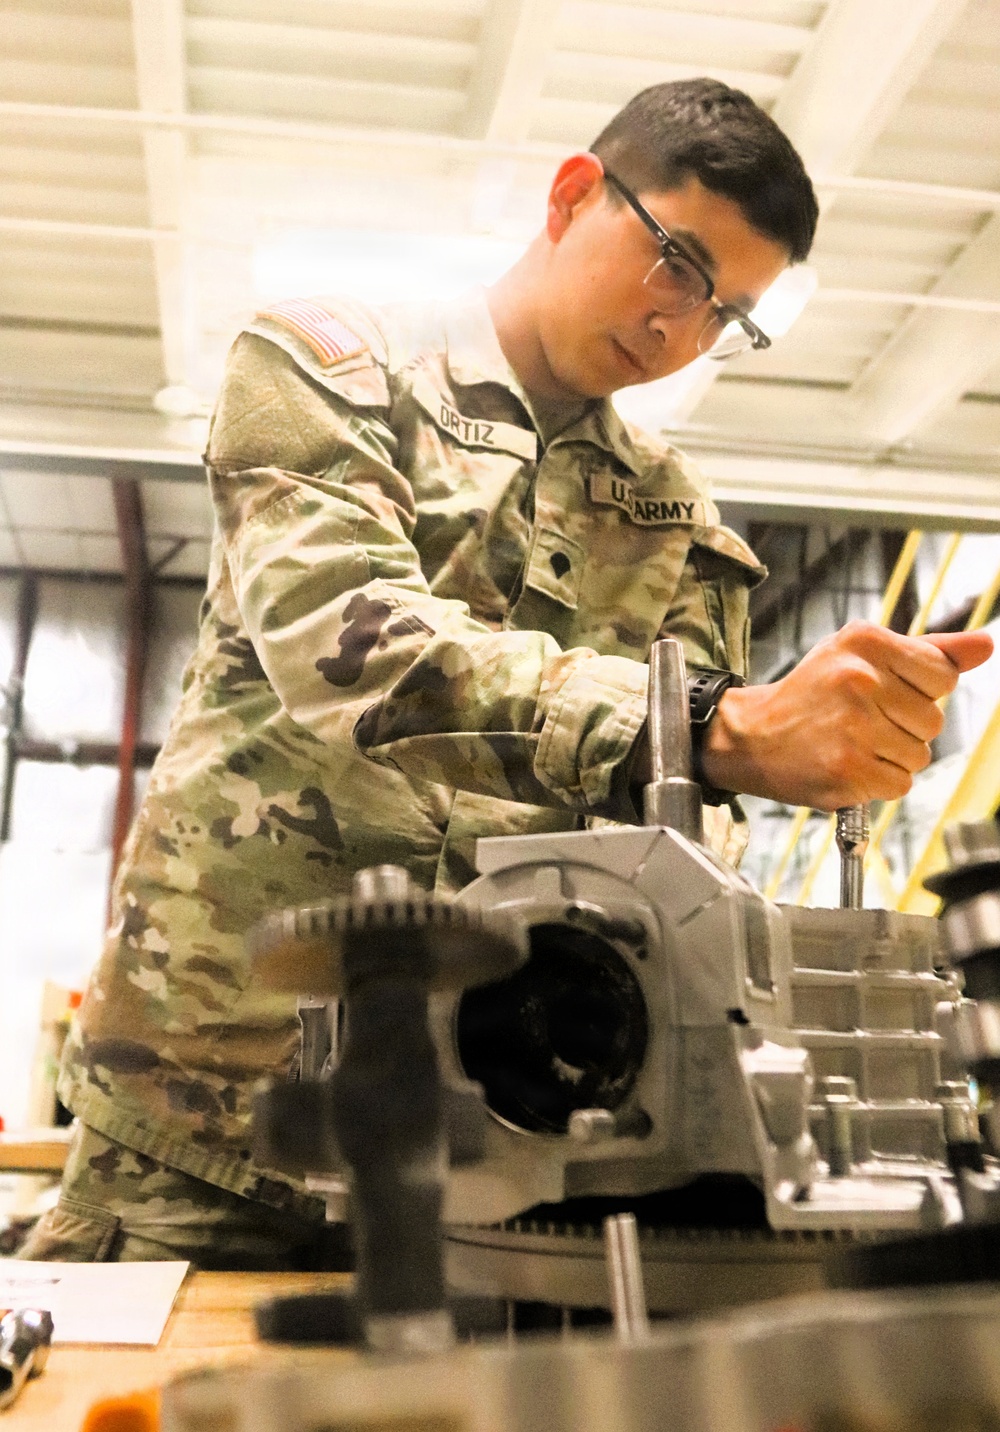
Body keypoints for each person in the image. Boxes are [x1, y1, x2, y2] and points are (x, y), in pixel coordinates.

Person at [21, 80, 992, 1268]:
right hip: (210, 1109)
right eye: (677, 264)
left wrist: (817, 741)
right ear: (574, 193)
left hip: (499, 1154)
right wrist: (710, 726)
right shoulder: (334, 364)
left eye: (726, 314)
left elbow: (669, 843)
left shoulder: (674, 512)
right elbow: (342, 638)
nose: (679, 329)